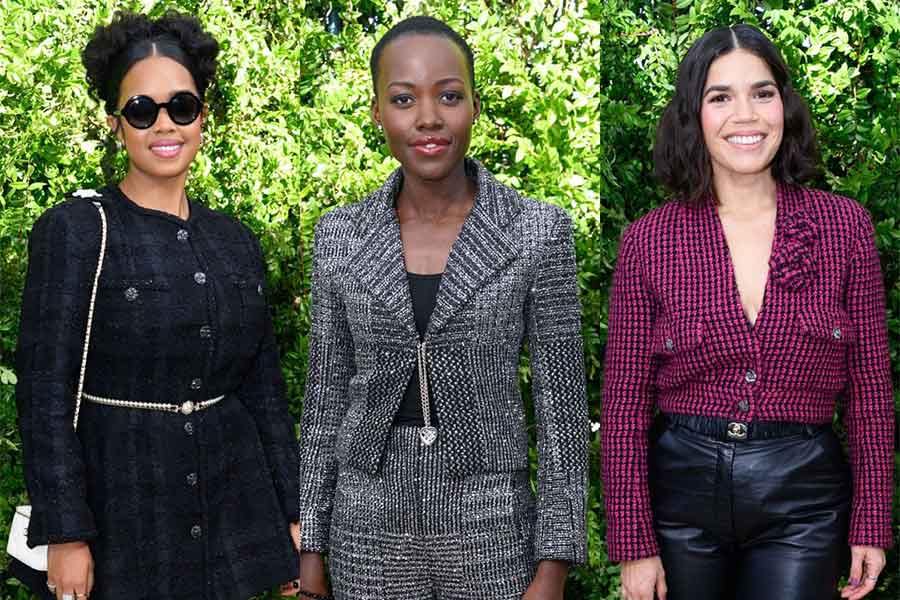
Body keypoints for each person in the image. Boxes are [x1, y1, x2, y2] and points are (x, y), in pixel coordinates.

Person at [293, 16, 589, 600]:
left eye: (449, 96)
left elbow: (562, 411)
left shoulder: (537, 230)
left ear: (475, 106)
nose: (428, 118)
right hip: (365, 527)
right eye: (403, 99)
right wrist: (311, 551)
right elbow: (325, 397)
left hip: (492, 523)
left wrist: (553, 564)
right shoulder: (340, 235)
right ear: (377, 112)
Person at [601, 24, 894, 600]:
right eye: (720, 97)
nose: (746, 115)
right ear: (694, 115)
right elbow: (624, 402)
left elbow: (870, 390)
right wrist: (633, 542)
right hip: (679, 502)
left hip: (804, 502)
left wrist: (871, 522)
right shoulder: (649, 240)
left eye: (762, 93)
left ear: (785, 105)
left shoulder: (845, 228)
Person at [15, 11, 300, 600]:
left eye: (182, 107)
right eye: (142, 110)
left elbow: (265, 394)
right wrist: (65, 533)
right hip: (118, 516)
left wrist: (294, 516)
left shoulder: (235, 241)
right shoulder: (76, 231)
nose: (164, 124)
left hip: (229, 512)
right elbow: (44, 395)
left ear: (203, 117)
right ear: (116, 124)